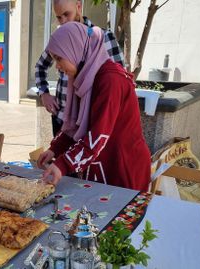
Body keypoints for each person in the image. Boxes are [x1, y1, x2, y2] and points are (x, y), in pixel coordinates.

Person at [37, 22, 151, 191]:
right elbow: (77, 125)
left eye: (59, 58)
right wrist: (55, 149)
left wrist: (63, 165)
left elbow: (97, 136)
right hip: (104, 164)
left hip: (123, 168)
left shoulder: (110, 80)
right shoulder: (85, 78)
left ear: (76, 49)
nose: (57, 67)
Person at [35, 0, 124, 136]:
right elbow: (41, 66)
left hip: (89, 121)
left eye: (66, 14)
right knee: (59, 155)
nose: (63, 21)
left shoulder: (102, 37)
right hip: (62, 117)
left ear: (78, 6)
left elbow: (119, 78)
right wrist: (44, 93)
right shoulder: (61, 37)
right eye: (59, 17)